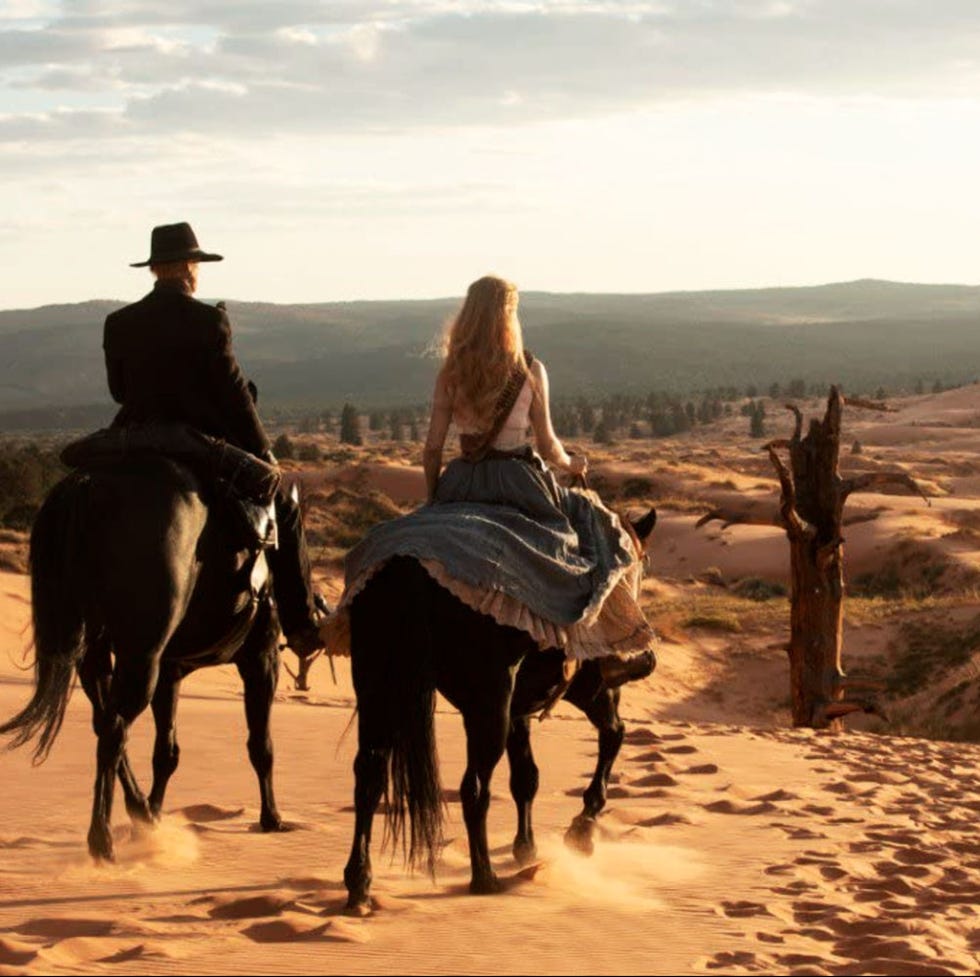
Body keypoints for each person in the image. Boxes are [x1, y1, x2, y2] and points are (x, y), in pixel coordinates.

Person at [329, 274, 654, 669]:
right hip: (522, 483)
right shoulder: (530, 369)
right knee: (594, 538)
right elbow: (549, 445)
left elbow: (431, 450)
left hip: (461, 482)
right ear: (508, 318)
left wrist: (434, 500)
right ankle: (602, 653)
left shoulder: (451, 372)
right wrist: (574, 465)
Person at [102, 221, 325, 657]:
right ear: (190, 267)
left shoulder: (119, 322)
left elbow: (119, 392)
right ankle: (299, 626)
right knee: (283, 502)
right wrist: (264, 454)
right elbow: (235, 394)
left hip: (134, 437)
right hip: (198, 443)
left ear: (155, 269)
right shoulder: (208, 320)